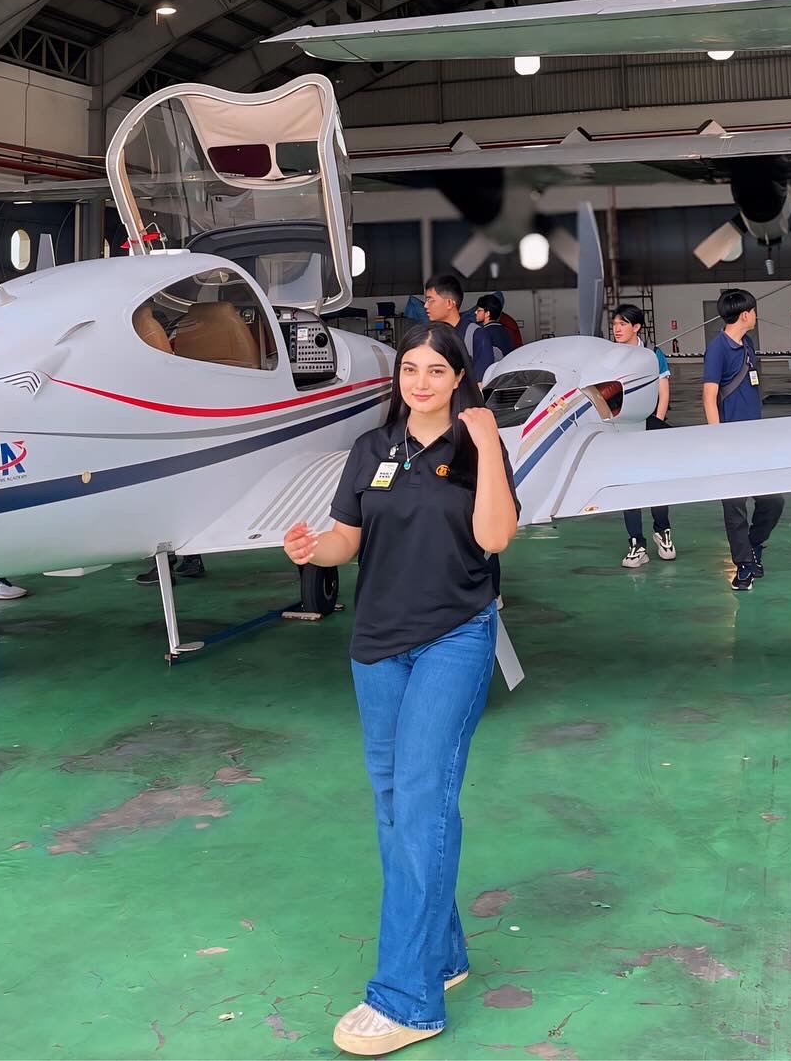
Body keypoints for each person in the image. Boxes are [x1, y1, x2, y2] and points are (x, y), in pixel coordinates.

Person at [283, 322, 518, 1056]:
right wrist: (313, 550)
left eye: (435, 370)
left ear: (458, 378)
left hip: (454, 636)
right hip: (378, 645)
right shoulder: (370, 450)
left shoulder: (476, 448)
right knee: (394, 804)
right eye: (410, 368)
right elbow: (347, 538)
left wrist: (488, 445)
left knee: (421, 802)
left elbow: (495, 537)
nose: (420, 382)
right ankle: (442, 955)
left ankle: (408, 1000)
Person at [701, 288, 785, 591]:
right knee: (735, 507)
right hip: (730, 441)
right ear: (745, 314)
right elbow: (709, 396)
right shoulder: (718, 349)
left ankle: (753, 545)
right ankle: (744, 563)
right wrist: (718, 439)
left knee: (773, 501)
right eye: (754, 310)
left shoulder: (747, 344)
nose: (756, 315)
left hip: (755, 440)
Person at [611, 303, 675, 567]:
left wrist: (657, 423)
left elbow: (663, 390)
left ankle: (662, 531)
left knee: (656, 481)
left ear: (636, 327)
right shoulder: (610, 356)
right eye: (615, 324)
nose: (617, 329)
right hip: (623, 427)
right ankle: (636, 543)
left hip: (651, 425)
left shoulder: (652, 354)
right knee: (629, 484)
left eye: (623, 323)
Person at [468, 294, 510, 381]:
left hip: (491, 377)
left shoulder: (483, 333)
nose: (475, 312)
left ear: (487, 313)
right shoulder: (505, 331)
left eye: (479, 310)